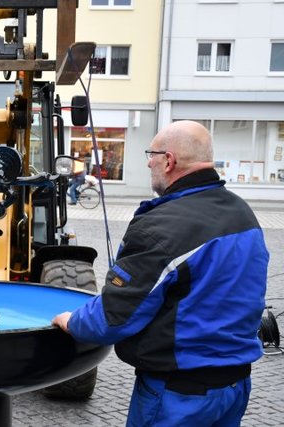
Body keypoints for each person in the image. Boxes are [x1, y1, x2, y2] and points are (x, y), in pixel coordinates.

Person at [52, 120, 268, 426]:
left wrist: (71, 321)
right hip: (234, 388)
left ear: (169, 161)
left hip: (179, 395)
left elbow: (114, 318)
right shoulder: (242, 213)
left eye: (151, 154)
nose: (148, 162)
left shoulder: (161, 227)